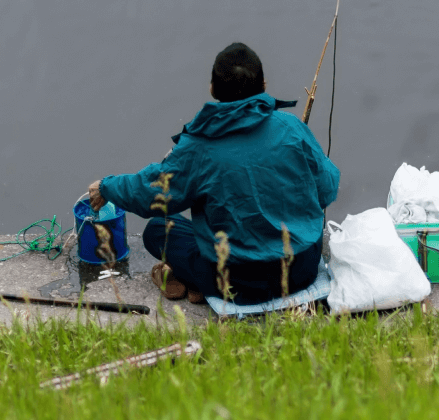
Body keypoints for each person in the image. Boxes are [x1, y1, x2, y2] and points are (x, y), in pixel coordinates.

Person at [88, 43, 340, 305]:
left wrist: (107, 187)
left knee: (157, 231)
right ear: (264, 85)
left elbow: (150, 191)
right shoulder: (292, 128)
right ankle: (194, 282)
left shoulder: (198, 147)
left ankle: (193, 280)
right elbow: (328, 188)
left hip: (235, 283)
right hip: (301, 271)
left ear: (212, 89)